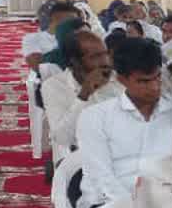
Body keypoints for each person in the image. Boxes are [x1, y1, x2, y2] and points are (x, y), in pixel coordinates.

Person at [76, 37, 172, 208]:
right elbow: (101, 179)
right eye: (143, 81)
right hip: (109, 207)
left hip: (167, 204)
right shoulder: (95, 117)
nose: (154, 87)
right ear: (121, 79)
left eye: (158, 77)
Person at [44, 29, 120, 159]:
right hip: (82, 158)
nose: (105, 61)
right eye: (96, 57)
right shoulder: (54, 86)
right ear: (75, 62)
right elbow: (63, 138)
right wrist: (84, 95)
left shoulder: (119, 80)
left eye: (106, 54)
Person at [23, 2, 75, 70]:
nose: (77, 23)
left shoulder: (75, 37)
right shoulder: (32, 38)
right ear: (55, 19)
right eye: (73, 19)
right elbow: (37, 66)